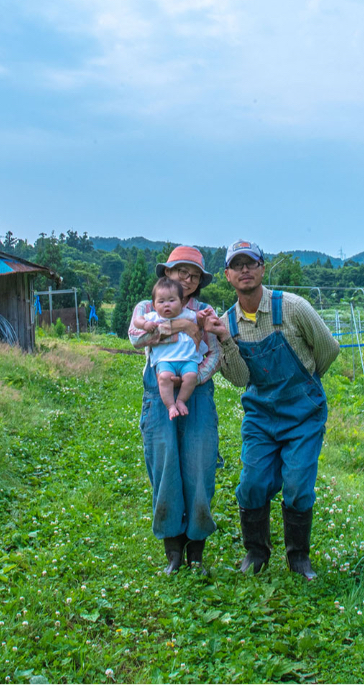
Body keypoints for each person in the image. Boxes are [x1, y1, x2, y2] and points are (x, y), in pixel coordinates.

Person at [208, 240, 341, 581]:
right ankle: (256, 553)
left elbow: (328, 349)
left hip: (303, 414)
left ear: (262, 268)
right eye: (237, 265)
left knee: (297, 485)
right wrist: (226, 341)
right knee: (251, 483)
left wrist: (304, 385)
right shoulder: (227, 324)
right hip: (261, 417)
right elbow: (240, 379)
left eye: (251, 263)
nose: (245, 270)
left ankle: (299, 558)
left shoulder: (294, 308)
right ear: (227, 275)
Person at [128, 246, 224, 574]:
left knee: (199, 466)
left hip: (196, 391)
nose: (189, 279)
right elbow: (136, 339)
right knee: (164, 465)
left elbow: (214, 353)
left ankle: (196, 552)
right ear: (167, 273)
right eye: (182, 271)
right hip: (159, 393)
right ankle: (172, 551)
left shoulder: (205, 311)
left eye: (195, 275)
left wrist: (193, 379)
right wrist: (181, 325)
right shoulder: (147, 306)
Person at [141, 277, 206, 420]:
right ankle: (170, 406)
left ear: (181, 302)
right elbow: (137, 323)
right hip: (165, 360)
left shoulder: (186, 313)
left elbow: (197, 318)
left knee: (191, 376)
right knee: (164, 378)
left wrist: (200, 317)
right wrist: (144, 324)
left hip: (188, 359)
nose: (167, 305)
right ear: (154, 305)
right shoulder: (154, 317)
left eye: (172, 300)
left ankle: (181, 400)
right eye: (161, 302)